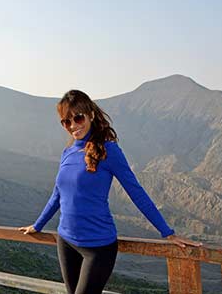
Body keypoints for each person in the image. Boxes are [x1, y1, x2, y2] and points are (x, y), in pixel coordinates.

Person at [18, 90, 202, 294]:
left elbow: (136, 192)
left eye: (78, 118)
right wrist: (38, 225)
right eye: (66, 122)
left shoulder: (109, 150)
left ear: (91, 115)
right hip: (66, 241)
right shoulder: (67, 152)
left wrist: (168, 233)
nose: (73, 126)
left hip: (98, 247)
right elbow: (58, 194)